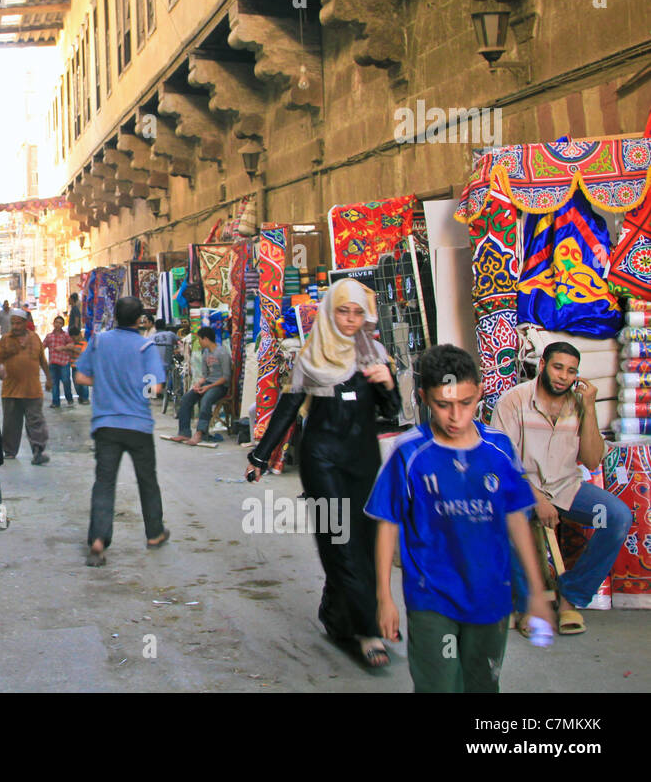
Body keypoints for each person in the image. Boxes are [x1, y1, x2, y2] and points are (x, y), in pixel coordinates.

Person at [367, 345, 555, 692]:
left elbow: (517, 519)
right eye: (443, 405)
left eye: (465, 403)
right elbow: (387, 522)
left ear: (480, 393)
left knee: (483, 685)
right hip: (431, 597)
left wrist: (536, 592)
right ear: (424, 398)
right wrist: (384, 598)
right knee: (439, 686)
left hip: (491, 597)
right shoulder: (409, 453)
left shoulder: (498, 449)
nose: (455, 416)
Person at [246, 278, 401, 667]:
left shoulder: (374, 353)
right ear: (329, 313)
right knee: (340, 539)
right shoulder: (312, 356)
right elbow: (288, 409)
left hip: (364, 460)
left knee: (363, 541)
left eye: (356, 313)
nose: (350, 320)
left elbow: (391, 411)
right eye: (342, 311)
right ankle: (368, 630)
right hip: (322, 460)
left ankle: (335, 616)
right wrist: (261, 457)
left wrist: (387, 383)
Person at [490, 341, 633, 637]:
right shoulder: (513, 401)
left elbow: (592, 459)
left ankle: (571, 597)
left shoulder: (579, 404)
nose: (563, 376)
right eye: (557, 367)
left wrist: (590, 408)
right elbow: (502, 465)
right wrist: (538, 498)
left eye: (571, 371)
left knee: (617, 516)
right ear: (542, 365)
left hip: (566, 488)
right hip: (521, 489)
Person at [76, 296, 169, 566]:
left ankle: (97, 540)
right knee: (147, 481)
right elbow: (155, 389)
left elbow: (81, 377)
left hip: (106, 424)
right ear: (140, 319)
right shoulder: (145, 346)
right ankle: (154, 533)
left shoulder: (99, 341)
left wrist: (105, 382)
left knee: (104, 483)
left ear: (115, 315)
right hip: (138, 425)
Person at [0, 307, 50, 465]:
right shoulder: (5, 340)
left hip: (33, 390)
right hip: (11, 391)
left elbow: (43, 360)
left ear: (26, 323)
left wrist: (49, 379)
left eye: (18, 323)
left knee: (36, 422)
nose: (15, 326)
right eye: (13, 323)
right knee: (11, 424)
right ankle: (9, 451)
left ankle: (38, 451)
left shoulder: (35, 338)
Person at [172, 327, 229, 444]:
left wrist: (208, 387)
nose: (199, 342)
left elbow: (226, 377)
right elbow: (205, 375)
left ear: (206, 339)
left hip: (220, 386)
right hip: (207, 384)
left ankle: (200, 433)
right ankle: (184, 432)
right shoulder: (206, 353)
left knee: (206, 400)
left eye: (200, 340)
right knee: (186, 399)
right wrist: (198, 385)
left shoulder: (222, 353)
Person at [43, 316, 75, 409]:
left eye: (60, 323)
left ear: (62, 325)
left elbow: (72, 345)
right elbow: (42, 346)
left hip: (64, 362)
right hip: (53, 363)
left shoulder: (66, 335)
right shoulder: (49, 336)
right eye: (56, 322)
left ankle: (69, 398)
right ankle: (55, 402)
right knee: (54, 383)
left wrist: (63, 348)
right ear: (53, 323)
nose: (58, 324)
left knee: (66, 381)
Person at [67, 329, 90, 404]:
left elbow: (83, 353)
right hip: (74, 366)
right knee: (76, 384)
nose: (75, 339)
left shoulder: (84, 343)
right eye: (72, 338)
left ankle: (85, 398)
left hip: (83, 366)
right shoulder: (72, 343)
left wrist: (73, 349)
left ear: (80, 335)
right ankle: (80, 396)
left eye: (75, 337)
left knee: (83, 384)